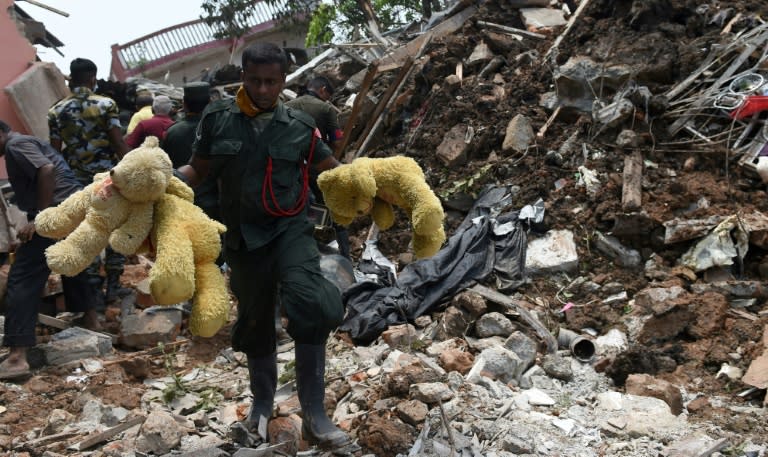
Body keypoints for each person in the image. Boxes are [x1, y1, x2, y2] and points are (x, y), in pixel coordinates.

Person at [178, 42, 353, 452]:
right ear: (243, 77)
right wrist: (160, 180)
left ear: (283, 81)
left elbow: (331, 173)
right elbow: (198, 170)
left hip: (290, 231)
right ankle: (261, 405)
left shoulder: (299, 124)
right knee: (255, 323)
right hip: (242, 237)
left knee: (312, 303)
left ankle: (315, 413)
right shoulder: (218, 119)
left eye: (270, 82)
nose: (261, 89)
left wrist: (370, 183)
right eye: (253, 80)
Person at [0, 121, 101, 380]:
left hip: (58, 211)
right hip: (71, 209)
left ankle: (16, 357)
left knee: (22, 277)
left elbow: (46, 171)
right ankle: (91, 320)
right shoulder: (29, 141)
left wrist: (42, 218)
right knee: (72, 264)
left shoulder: (16, 145)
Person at [47, 57, 130, 307]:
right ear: (93, 78)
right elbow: (118, 143)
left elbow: (54, 153)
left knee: (89, 230)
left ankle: (93, 292)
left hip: (77, 183)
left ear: (72, 78)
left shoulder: (56, 111)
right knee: (115, 228)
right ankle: (114, 288)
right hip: (108, 181)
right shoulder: (106, 105)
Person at [286, 76, 351, 259]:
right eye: (327, 95)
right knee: (335, 214)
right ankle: (345, 257)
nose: (327, 99)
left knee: (307, 212)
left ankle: (312, 252)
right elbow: (337, 142)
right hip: (318, 168)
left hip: (291, 171)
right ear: (322, 89)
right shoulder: (326, 109)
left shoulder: (286, 106)